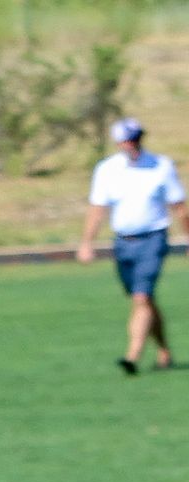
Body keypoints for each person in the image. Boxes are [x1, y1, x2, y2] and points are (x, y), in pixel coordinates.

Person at [79, 118, 189, 374]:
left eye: (134, 139)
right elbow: (98, 209)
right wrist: (86, 243)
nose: (131, 145)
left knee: (141, 297)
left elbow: (179, 207)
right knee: (144, 300)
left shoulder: (161, 166)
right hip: (123, 243)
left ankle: (132, 356)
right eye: (126, 140)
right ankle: (164, 351)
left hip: (153, 238)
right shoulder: (107, 169)